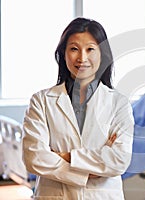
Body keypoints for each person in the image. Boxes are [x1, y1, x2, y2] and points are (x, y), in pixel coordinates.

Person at [22, 17, 134, 200]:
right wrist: (85, 173)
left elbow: (118, 161)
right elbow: (34, 158)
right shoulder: (41, 101)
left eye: (90, 49)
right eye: (74, 49)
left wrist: (65, 156)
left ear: (102, 54)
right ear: (63, 54)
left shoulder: (118, 103)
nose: (82, 58)